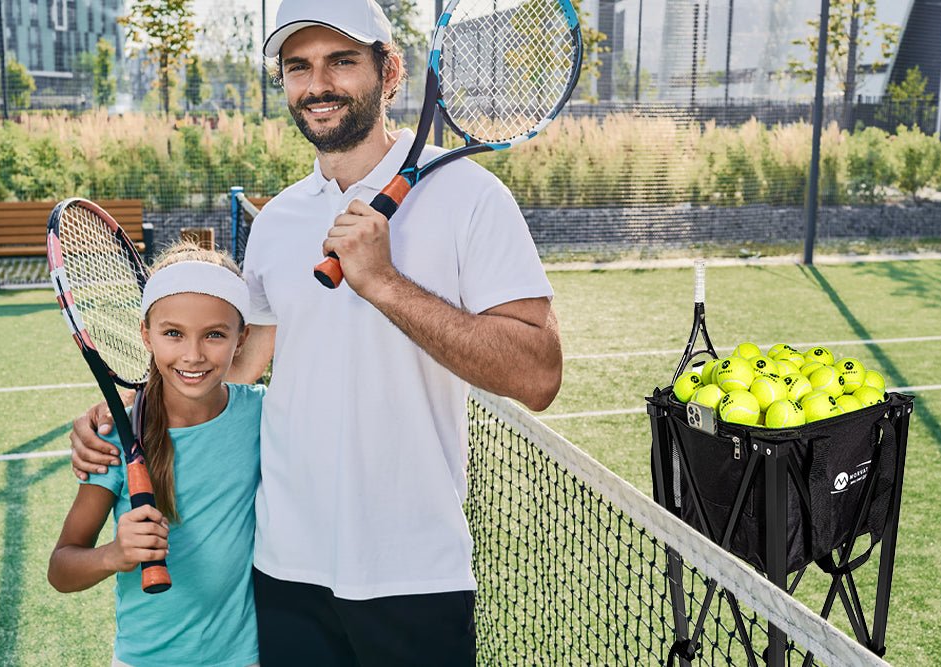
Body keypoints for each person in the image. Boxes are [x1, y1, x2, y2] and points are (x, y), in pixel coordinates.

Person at [70, 0, 563, 664]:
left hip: (414, 573)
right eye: (298, 67)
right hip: (286, 569)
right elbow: (239, 367)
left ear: (391, 73)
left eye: (341, 62)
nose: (317, 85)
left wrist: (384, 281)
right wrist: (133, 411)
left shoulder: (472, 198)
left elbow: (538, 374)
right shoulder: (279, 223)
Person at [51, 243, 263, 667]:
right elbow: (62, 568)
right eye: (173, 333)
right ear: (146, 335)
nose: (193, 355)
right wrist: (115, 554)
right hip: (145, 659)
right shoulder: (115, 438)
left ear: (241, 340)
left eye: (215, 335)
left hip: (243, 657)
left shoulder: (263, 413)